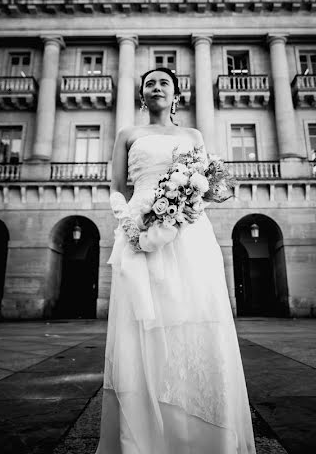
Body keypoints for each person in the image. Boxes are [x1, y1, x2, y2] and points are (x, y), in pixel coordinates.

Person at [96, 68, 256, 454]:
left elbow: (209, 184)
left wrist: (198, 195)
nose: (156, 88)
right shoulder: (127, 134)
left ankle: (199, 432)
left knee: (193, 311)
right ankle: (146, 435)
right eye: (149, 83)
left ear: (176, 94)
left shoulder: (193, 136)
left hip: (188, 229)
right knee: (141, 321)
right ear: (142, 95)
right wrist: (129, 224)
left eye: (163, 82)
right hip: (139, 225)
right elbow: (116, 188)